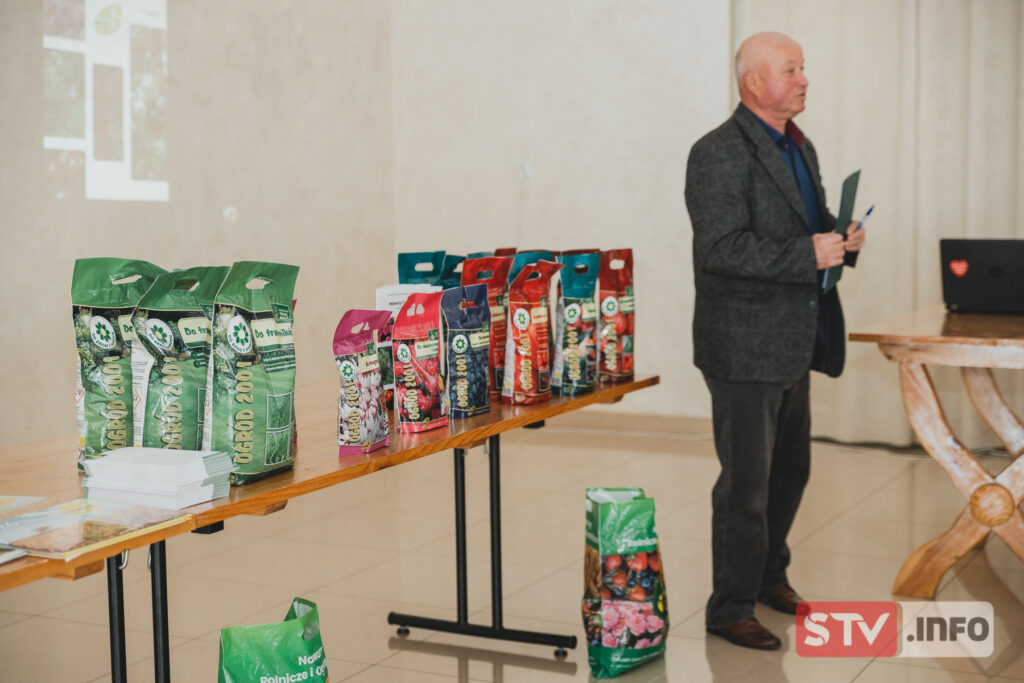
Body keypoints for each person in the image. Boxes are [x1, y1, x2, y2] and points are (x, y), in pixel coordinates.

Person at [684, 31, 866, 650]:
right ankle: (729, 608)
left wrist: (840, 237)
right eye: (791, 70)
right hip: (743, 346)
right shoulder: (716, 152)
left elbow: (806, 227)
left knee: (790, 473)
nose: (804, 79)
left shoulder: (798, 145)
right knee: (746, 486)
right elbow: (721, 248)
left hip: (794, 338)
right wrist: (807, 252)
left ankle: (768, 577)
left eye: (803, 68)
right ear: (754, 82)